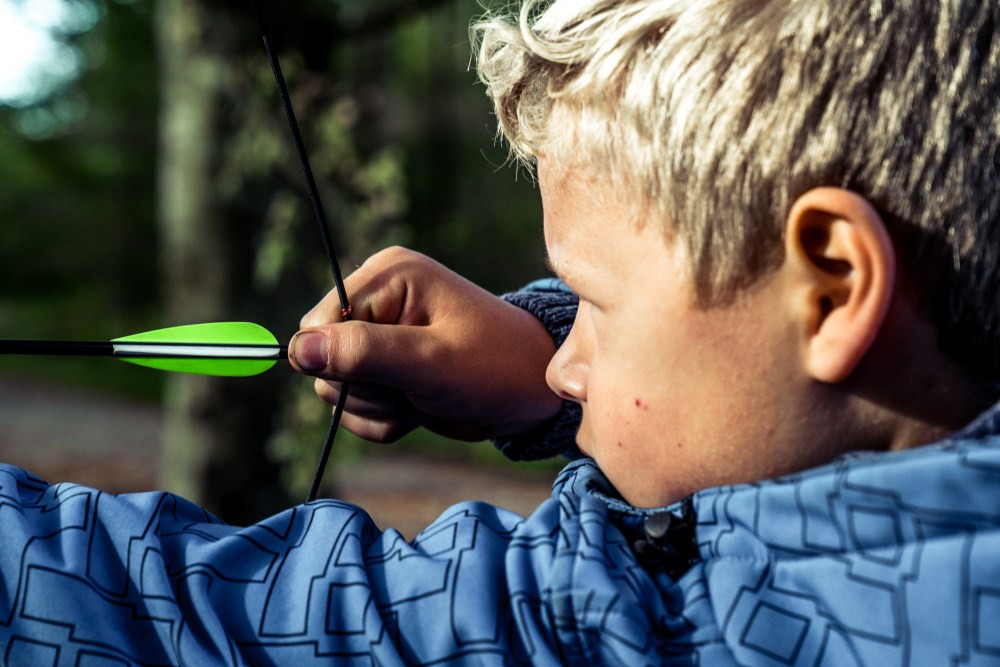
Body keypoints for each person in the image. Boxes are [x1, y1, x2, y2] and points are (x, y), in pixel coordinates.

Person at [3, 0, 1000, 664]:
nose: (565, 368)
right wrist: (532, 363)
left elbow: (185, 616)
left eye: (592, 304)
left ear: (831, 287)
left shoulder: (663, 629)